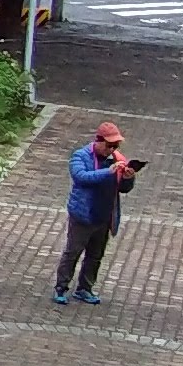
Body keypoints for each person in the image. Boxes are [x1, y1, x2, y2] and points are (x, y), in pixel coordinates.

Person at [55, 121, 140, 305]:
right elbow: (81, 177)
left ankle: (85, 288)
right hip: (84, 214)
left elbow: (123, 188)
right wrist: (107, 172)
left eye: (115, 146)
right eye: (109, 145)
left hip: (104, 215)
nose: (112, 150)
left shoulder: (118, 158)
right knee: (73, 252)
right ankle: (61, 287)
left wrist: (128, 177)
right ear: (98, 141)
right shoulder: (80, 156)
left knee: (95, 255)